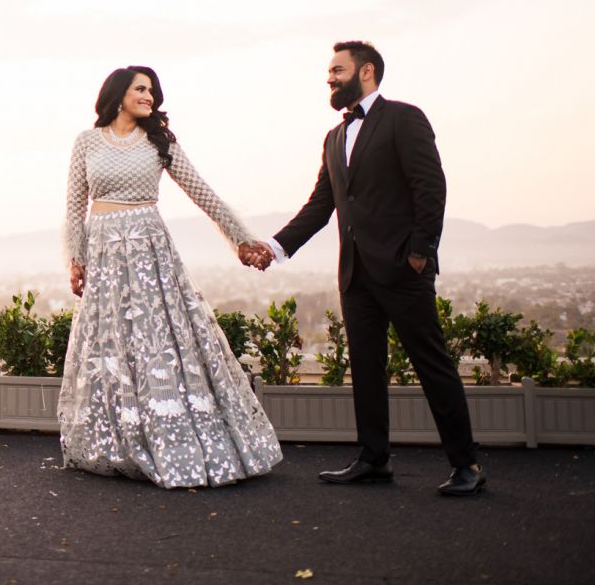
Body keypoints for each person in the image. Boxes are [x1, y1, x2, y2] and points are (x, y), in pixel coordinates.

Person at [243, 41, 484, 496]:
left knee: (432, 364)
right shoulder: (334, 138)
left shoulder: (404, 118)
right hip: (355, 274)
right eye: (329, 72)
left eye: (337, 70)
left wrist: (419, 254)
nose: (329, 78)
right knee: (366, 369)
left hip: (403, 270)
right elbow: (319, 207)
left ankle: (466, 463)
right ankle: (374, 459)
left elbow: (430, 187)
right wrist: (272, 249)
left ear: (366, 71)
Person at [58, 65, 282, 488]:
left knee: (157, 341)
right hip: (103, 252)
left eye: (152, 91)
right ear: (118, 94)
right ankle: (116, 443)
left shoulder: (159, 141)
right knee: (113, 344)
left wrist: (243, 240)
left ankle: (172, 442)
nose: (149, 96)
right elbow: (73, 206)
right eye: (140, 89)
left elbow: (203, 192)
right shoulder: (86, 142)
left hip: (149, 251)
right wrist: (76, 259)